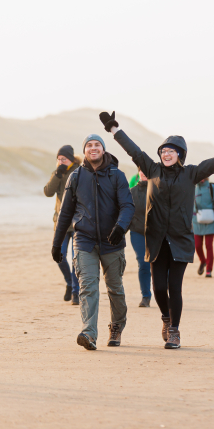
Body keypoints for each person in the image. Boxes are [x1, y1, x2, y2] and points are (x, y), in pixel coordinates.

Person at [100, 111, 214, 349]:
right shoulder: (152, 169)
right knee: (158, 288)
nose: (166, 154)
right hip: (156, 237)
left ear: (180, 155)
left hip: (180, 238)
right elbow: (133, 150)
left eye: (171, 151)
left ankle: (174, 330)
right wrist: (114, 129)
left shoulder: (191, 173)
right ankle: (166, 318)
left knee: (174, 287)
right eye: (163, 151)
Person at [51, 134, 134, 350]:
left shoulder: (117, 175)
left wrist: (120, 227)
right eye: (89, 145)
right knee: (88, 287)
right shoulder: (76, 176)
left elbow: (127, 206)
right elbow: (65, 212)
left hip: (112, 240)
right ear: (85, 151)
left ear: (104, 150)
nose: (93, 148)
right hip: (84, 240)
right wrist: (56, 243)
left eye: (97, 145)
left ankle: (116, 326)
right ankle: (89, 333)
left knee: (115, 288)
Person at [43, 145, 81, 304]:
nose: (61, 162)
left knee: (76, 259)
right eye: (58, 159)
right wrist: (57, 175)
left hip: (78, 221)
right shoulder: (57, 173)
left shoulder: (80, 171)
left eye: (63, 159)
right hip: (60, 222)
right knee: (59, 255)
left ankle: (75, 292)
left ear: (71, 159)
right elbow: (48, 192)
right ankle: (69, 282)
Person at [192, 176, 214, 278]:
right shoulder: (193, 187)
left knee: (209, 245)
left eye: (204, 175)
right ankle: (203, 261)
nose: (202, 178)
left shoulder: (211, 187)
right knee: (197, 245)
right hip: (197, 221)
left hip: (211, 220)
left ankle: (209, 269)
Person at [129, 170, 152, 306]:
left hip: (156, 233)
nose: (144, 172)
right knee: (143, 263)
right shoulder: (131, 192)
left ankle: (163, 292)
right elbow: (126, 213)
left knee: (158, 265)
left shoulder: (159, 191)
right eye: (141, 170)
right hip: (137, 232)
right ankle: (146, 296)